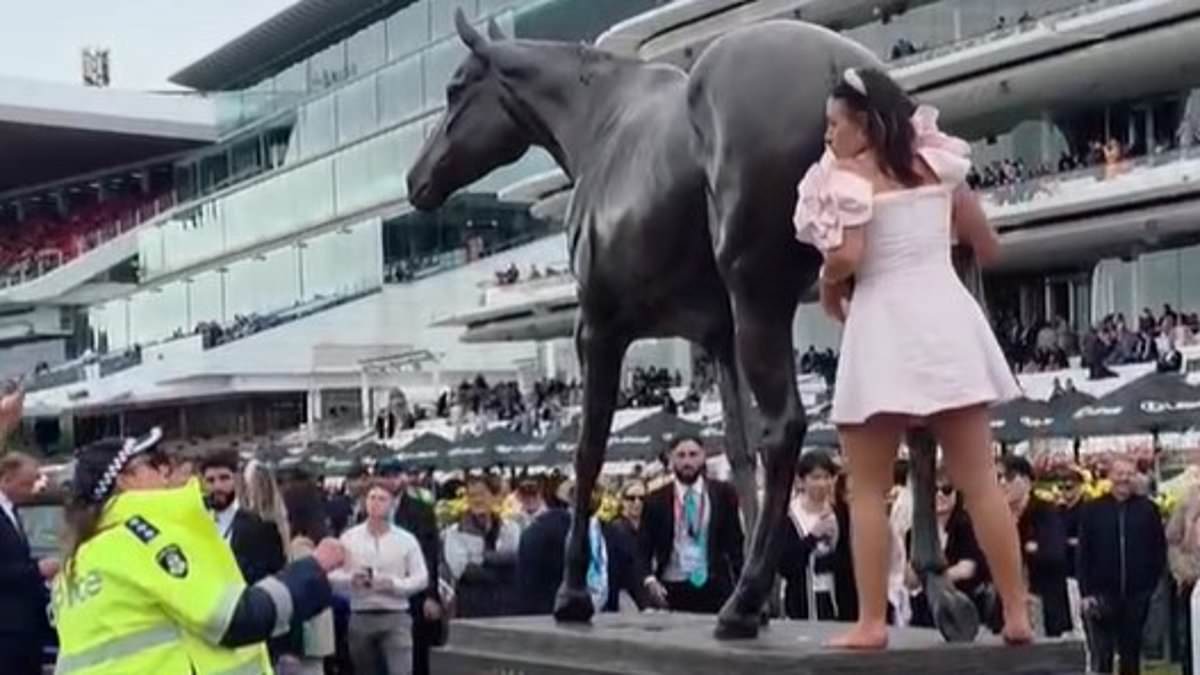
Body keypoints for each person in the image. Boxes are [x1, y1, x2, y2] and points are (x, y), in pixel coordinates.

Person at [793, 66, 1032, 648]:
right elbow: (986, 243)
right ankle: (1018, 614)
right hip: (948, 319)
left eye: (833, 125)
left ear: (864, 126)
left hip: (883, 326)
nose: (827, 137)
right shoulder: (939, 164)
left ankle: (872, 621)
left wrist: (827, 284)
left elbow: (848, 256)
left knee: (868, 491)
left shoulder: (845, 178)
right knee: (981, 481)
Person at [51, 428, 346, 674]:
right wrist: (315, 567)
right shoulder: (142, 540)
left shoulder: (79, 560)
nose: (165, 471)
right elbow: (236, 619)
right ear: (124, 481)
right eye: (153, 463)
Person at [1077, 456, 1167, 675]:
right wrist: (1086, 592)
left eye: (1129, 474)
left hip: (1137, 594)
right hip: (1102, 594)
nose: (1124, 479)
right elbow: (1083, 554)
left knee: (1131, 654)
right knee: (1103, 654)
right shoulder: (1092, 510)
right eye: (1120, 474)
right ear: (1110, 476)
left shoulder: (1148, 510)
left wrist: (1151, 585)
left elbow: (1159, 549)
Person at [639, 435, 744, 614]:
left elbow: (734, 542)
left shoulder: (723, 494)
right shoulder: (656, 500)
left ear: (703, 456)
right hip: (672, 587)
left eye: (693, 454)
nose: (687, 461)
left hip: (713, 585)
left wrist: (742, 583)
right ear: (671, 459)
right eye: (681, 455)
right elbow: (643, 546)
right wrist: (648, 579)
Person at [332, 480, 428, 675]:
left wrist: (395, 585)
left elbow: (421, 577)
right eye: (371, 498)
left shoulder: (406, 540)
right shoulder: (349, 538)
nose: (376, 503)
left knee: (401, 669)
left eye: (382, 499)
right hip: (361, 615)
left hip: (396, 615)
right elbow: (331, 574)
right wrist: (350, 579)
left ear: (392, 503)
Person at [0, 391, 57, 675]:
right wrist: (38, 571)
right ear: (6, 479)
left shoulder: (13, 512)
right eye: (28, 483)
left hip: (26, 634)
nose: (36, 488)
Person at [201, 449, 286, 585]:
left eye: (224, 478)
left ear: (236, 480)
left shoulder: (260, 528)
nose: (217, 486)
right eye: (210, 480)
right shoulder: (195, 525)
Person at [776, 450, 844, 620]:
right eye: (815, 477)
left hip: (834, 597)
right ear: (801, 481)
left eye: (827, 477)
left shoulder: (840, 513)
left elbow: (847, 558)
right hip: (800, 600)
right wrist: (813, 536)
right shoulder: (789, 516)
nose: (822, 483)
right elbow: (785, 563)